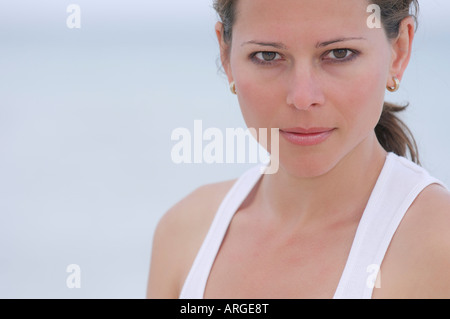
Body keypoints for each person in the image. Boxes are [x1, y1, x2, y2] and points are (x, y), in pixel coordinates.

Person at [147, 0, 450, 299]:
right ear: (226, 55)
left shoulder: (438, 245)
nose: (302, 97)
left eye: (339, 54)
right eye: (267, 55)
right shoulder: (184, 234)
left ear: (399, 50)